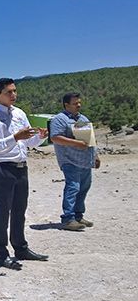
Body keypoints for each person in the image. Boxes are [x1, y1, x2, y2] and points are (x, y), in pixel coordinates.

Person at [0, 78, 49, 271]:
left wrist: (39, 138)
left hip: (21, 167)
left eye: (14, 91)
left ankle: (21, 248)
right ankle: (1, 254)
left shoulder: (19, 114)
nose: (13, 95)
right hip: (2, 169)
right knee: (2, 212)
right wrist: (15, 137)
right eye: (9, 92)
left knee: (20, 210)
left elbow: (29, 143)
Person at [50, 92, 100, 231]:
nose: (78, 105)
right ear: (66, 105)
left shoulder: (82, 118)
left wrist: (95, 156)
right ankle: (68, 219)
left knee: (84, 188)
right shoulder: (59, 119)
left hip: (84, 161)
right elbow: (55, 137)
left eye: (79, 102)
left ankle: (78, 216)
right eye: (75, 103)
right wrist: (76, 143)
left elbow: (90, 139)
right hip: (69, 160)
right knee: (73, 188)